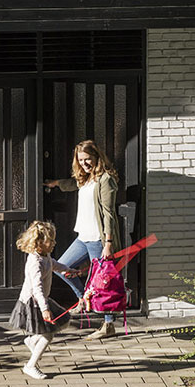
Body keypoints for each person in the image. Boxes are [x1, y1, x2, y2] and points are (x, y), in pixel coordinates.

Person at [45, 139, 122, 342]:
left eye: (88, 159)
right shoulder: (85, 179)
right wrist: (55, 184)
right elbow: (72, 184)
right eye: (81, 160)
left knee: (103, 283)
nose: (85, 163)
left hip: (98, 238)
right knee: (62, 267)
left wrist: (108, 243)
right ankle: (82, 298)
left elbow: (109, 214)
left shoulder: (105, 180)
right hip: (83, 236)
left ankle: (108, 324)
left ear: (96, 157)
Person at [8, 219, 66, 380]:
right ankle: (30, 366)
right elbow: (37, 288)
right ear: (39, 242)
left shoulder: (45, 255)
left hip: (40, 301)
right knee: (48, 334)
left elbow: (52, 264)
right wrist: (45, 309)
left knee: (57, 326)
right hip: (33, 302)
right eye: (51, 240)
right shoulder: (34, 262)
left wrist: (68, 270)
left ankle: (32, 341)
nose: (54, 243)